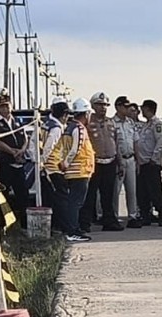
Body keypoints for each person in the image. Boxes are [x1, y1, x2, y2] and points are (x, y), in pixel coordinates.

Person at [47, 97, 95, 243]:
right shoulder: (79, 128)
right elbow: (75, 148)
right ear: (86, 113)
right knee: (75, 202)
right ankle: (72, 230)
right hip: (79, 170)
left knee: (73, 201)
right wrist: (66, 164)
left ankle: (73, 228)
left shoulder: (69, 127)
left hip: (75, 171)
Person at [83, 92, 123, 232]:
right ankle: (85, 223)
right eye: (100, 105)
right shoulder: (88, 122)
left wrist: (120, 162)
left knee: (108, 195)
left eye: (105, 105)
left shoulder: (110, 122)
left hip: (110, 162)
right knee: (90, 195)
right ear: (93, 106)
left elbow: (116, 142)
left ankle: (109, 221)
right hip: (94, 162)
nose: (103, 108)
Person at [0, 95, 29, 226]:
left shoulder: (17, 121)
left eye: (7, 105)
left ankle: (25, 223)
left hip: (19, 162)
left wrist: (22, 150)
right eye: (2, 106)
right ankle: (2, 224)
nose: (5, 109)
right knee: (3, 194)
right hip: (5, 163)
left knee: (23, 194)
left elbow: (25, 138)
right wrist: (12, 151)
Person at [40, 96, 70, 232]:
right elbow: (48, 147)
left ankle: (56, 225)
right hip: (53, 167)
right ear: (64, 115)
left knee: (51, 197)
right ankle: (60, 225)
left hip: (46, 167)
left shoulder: (45, 123)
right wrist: (43, 163)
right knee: (61, 197)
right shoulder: (57, 128)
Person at [136, 99, 162, 226]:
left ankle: (161, 214)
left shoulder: (157, 124)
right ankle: (146, 215)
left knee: (155, 190)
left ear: (148, 109)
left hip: (152, 164)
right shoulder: (146, 125)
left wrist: (154, 159)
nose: (141, 111)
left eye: (143, 108)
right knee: (143, 191)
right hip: (143, 163)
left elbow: (160, 143)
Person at [112, 95, 141, 228]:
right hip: (119, 159)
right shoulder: (112, 123)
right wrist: (118, 161)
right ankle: (114, 216)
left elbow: (135, 141)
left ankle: (133, 216)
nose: (127, 109)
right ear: (118, 107)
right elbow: (113, 143)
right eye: (125, 107)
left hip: (131, 159)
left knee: (132, 190)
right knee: (115, 191)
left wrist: (138, 160)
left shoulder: (130, 122)